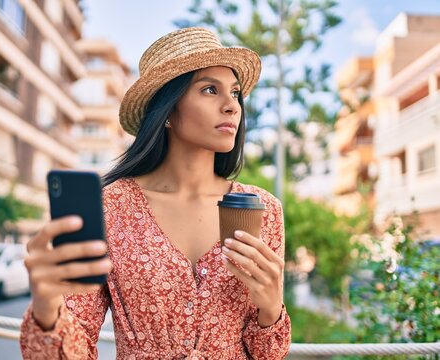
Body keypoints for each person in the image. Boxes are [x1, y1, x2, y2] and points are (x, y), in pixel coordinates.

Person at [20, 27, 291, 359]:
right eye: (209, 89)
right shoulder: (110, 207)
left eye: (235, 93)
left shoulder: (264, 209)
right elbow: (75, 347)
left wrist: (271, 308)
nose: (231, 106)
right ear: (167, 111)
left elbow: (268, 355)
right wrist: (47, 308)